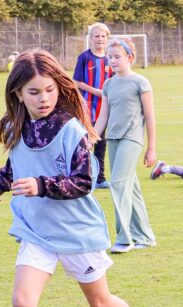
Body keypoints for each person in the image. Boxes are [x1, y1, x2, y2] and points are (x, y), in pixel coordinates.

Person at [0, 50, 158, 307]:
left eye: (48, 90)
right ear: (17, 94)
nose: (43, 99)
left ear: (58, 88)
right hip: (36, 231)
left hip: (77, 233)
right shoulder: (16, 128)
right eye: (33, 92)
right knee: (22, 301)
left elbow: (85, 182)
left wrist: (41, 185)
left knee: (100, 302)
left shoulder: (71, 129)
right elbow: (14, 165)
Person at [93, 37, 157, 254]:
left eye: (117, 57)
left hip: (132, 138)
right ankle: (146, 237)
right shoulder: (108, 84)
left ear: (130, 57)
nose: (112, 60)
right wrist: (92, 137)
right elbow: (103, 117)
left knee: (118, 183)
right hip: (113, 139)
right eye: (110, 57)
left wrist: (151, 148)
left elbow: (150, 117)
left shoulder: (140, 82)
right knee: (132, 188)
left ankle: (124, 238)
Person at [74, 22, 113, 188]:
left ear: (107, 38)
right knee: (84, 142)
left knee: (101, 144)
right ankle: (80, 175)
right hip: (88, 108)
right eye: (97, 36)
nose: (100, 39)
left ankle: (100, 178)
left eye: (103, 36)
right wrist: (98, 92)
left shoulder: (111, 58)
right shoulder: (84, 57)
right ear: (90, 39)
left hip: (106, 110)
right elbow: (77, 82)